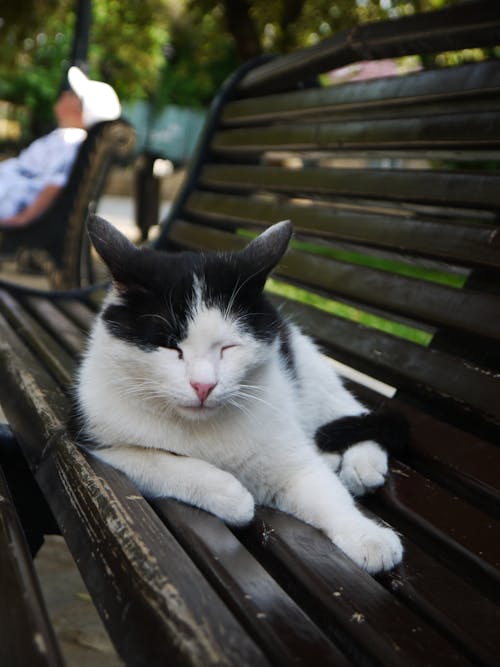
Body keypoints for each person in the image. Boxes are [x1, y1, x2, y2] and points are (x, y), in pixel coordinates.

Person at [0, 67, 121, 227]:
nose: (64, 94)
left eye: (72, 94)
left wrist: (21, 220)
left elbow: (55, 184)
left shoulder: (70, 140)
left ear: (82, 111)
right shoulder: (66, 138)